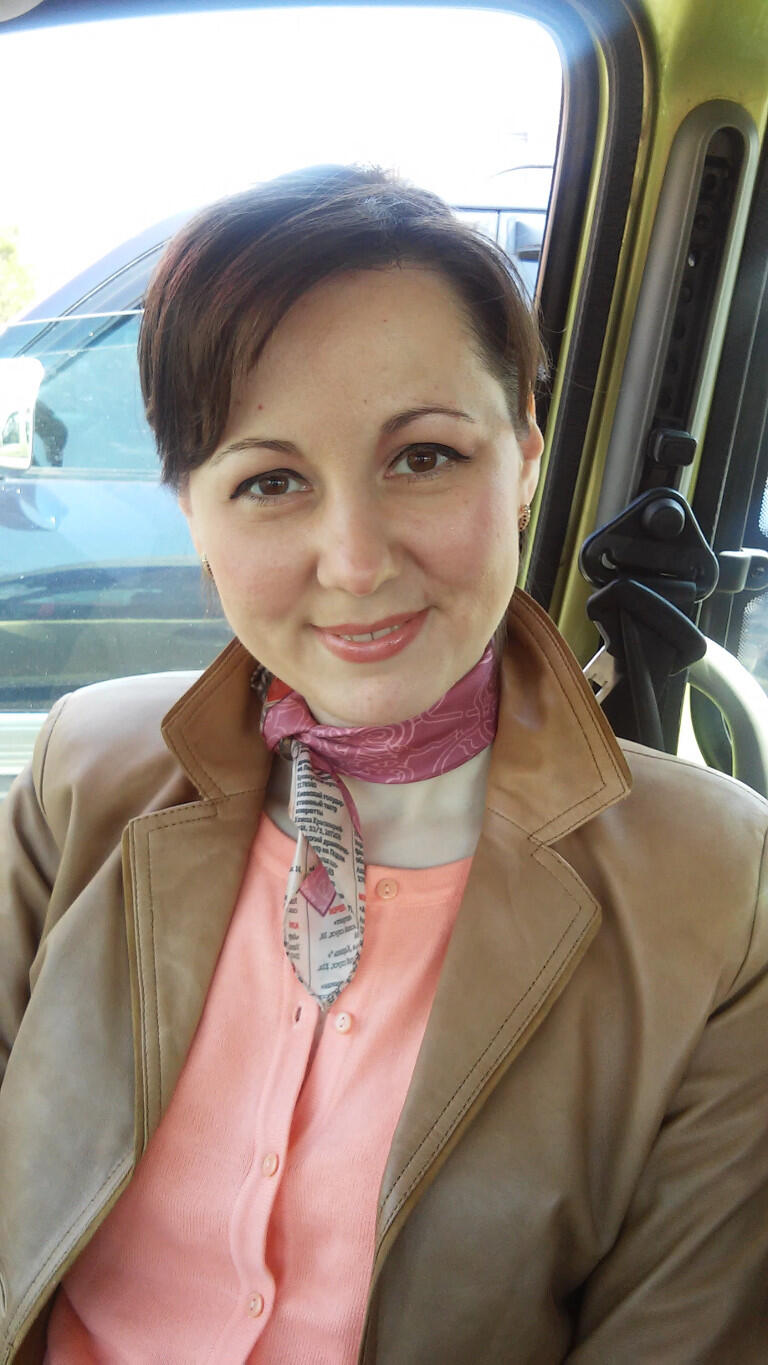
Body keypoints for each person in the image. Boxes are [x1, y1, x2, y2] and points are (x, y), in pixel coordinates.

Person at [1, 165, 767, 1365]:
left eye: (424, 458)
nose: (355, 562)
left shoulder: (717, 889)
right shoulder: (81, 779)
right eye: (271, 482)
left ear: (525, 456)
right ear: (194, 513)